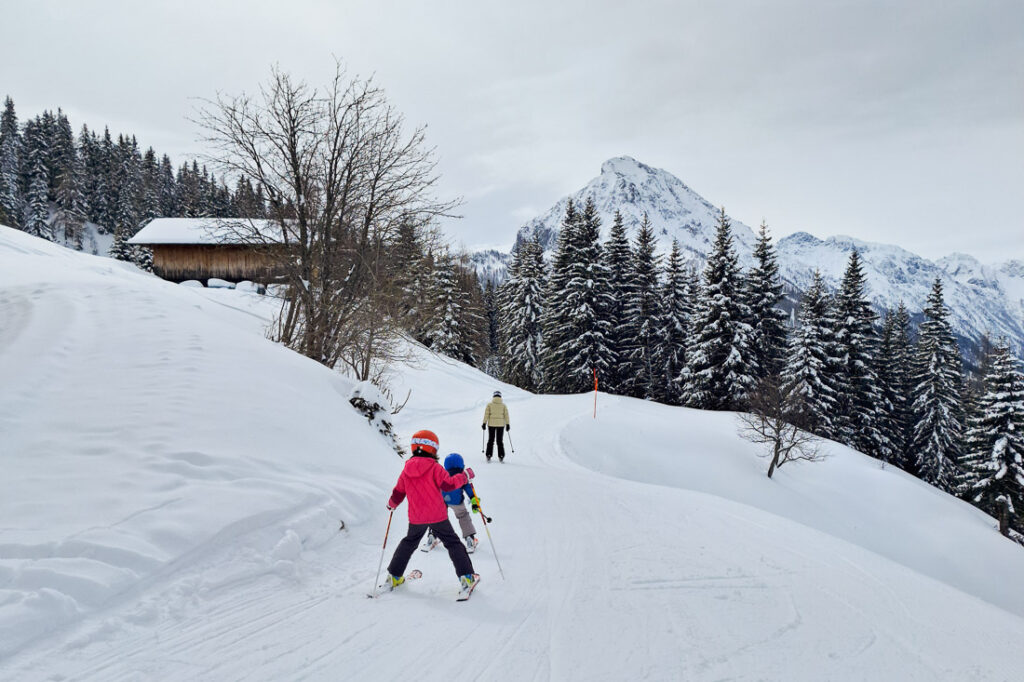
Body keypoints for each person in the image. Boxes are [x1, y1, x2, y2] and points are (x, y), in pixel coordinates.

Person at [386, 430, 478, 593]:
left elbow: (399, 491)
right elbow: (449, 485)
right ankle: (466, 577)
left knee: (409, 542)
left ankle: (394, 576)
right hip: (437, 516)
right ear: (433, 449)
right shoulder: (435, 468)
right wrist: (464, 476)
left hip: (416, 517)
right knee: (453, 543)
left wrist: (392, 504)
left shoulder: (406, 469)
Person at [434, 453, 481, 553]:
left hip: (443, 500)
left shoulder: (443, 474)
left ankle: (433, 536)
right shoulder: (462, 477)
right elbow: (470, 491)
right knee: (463, 516)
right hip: (457, 502)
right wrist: (474, 502)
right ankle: (469, 538)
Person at [481, 390, 510, 462]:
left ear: (493, 396)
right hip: (500, 425)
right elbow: (506, 415)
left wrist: (484, 423)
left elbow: (486, 415)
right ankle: (501, 456)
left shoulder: (489, 405)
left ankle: (488, 455)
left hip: (491, 424)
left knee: (491, 440)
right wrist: (507, 424)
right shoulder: (503, 405)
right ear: (500, 396)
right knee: (499, 440)